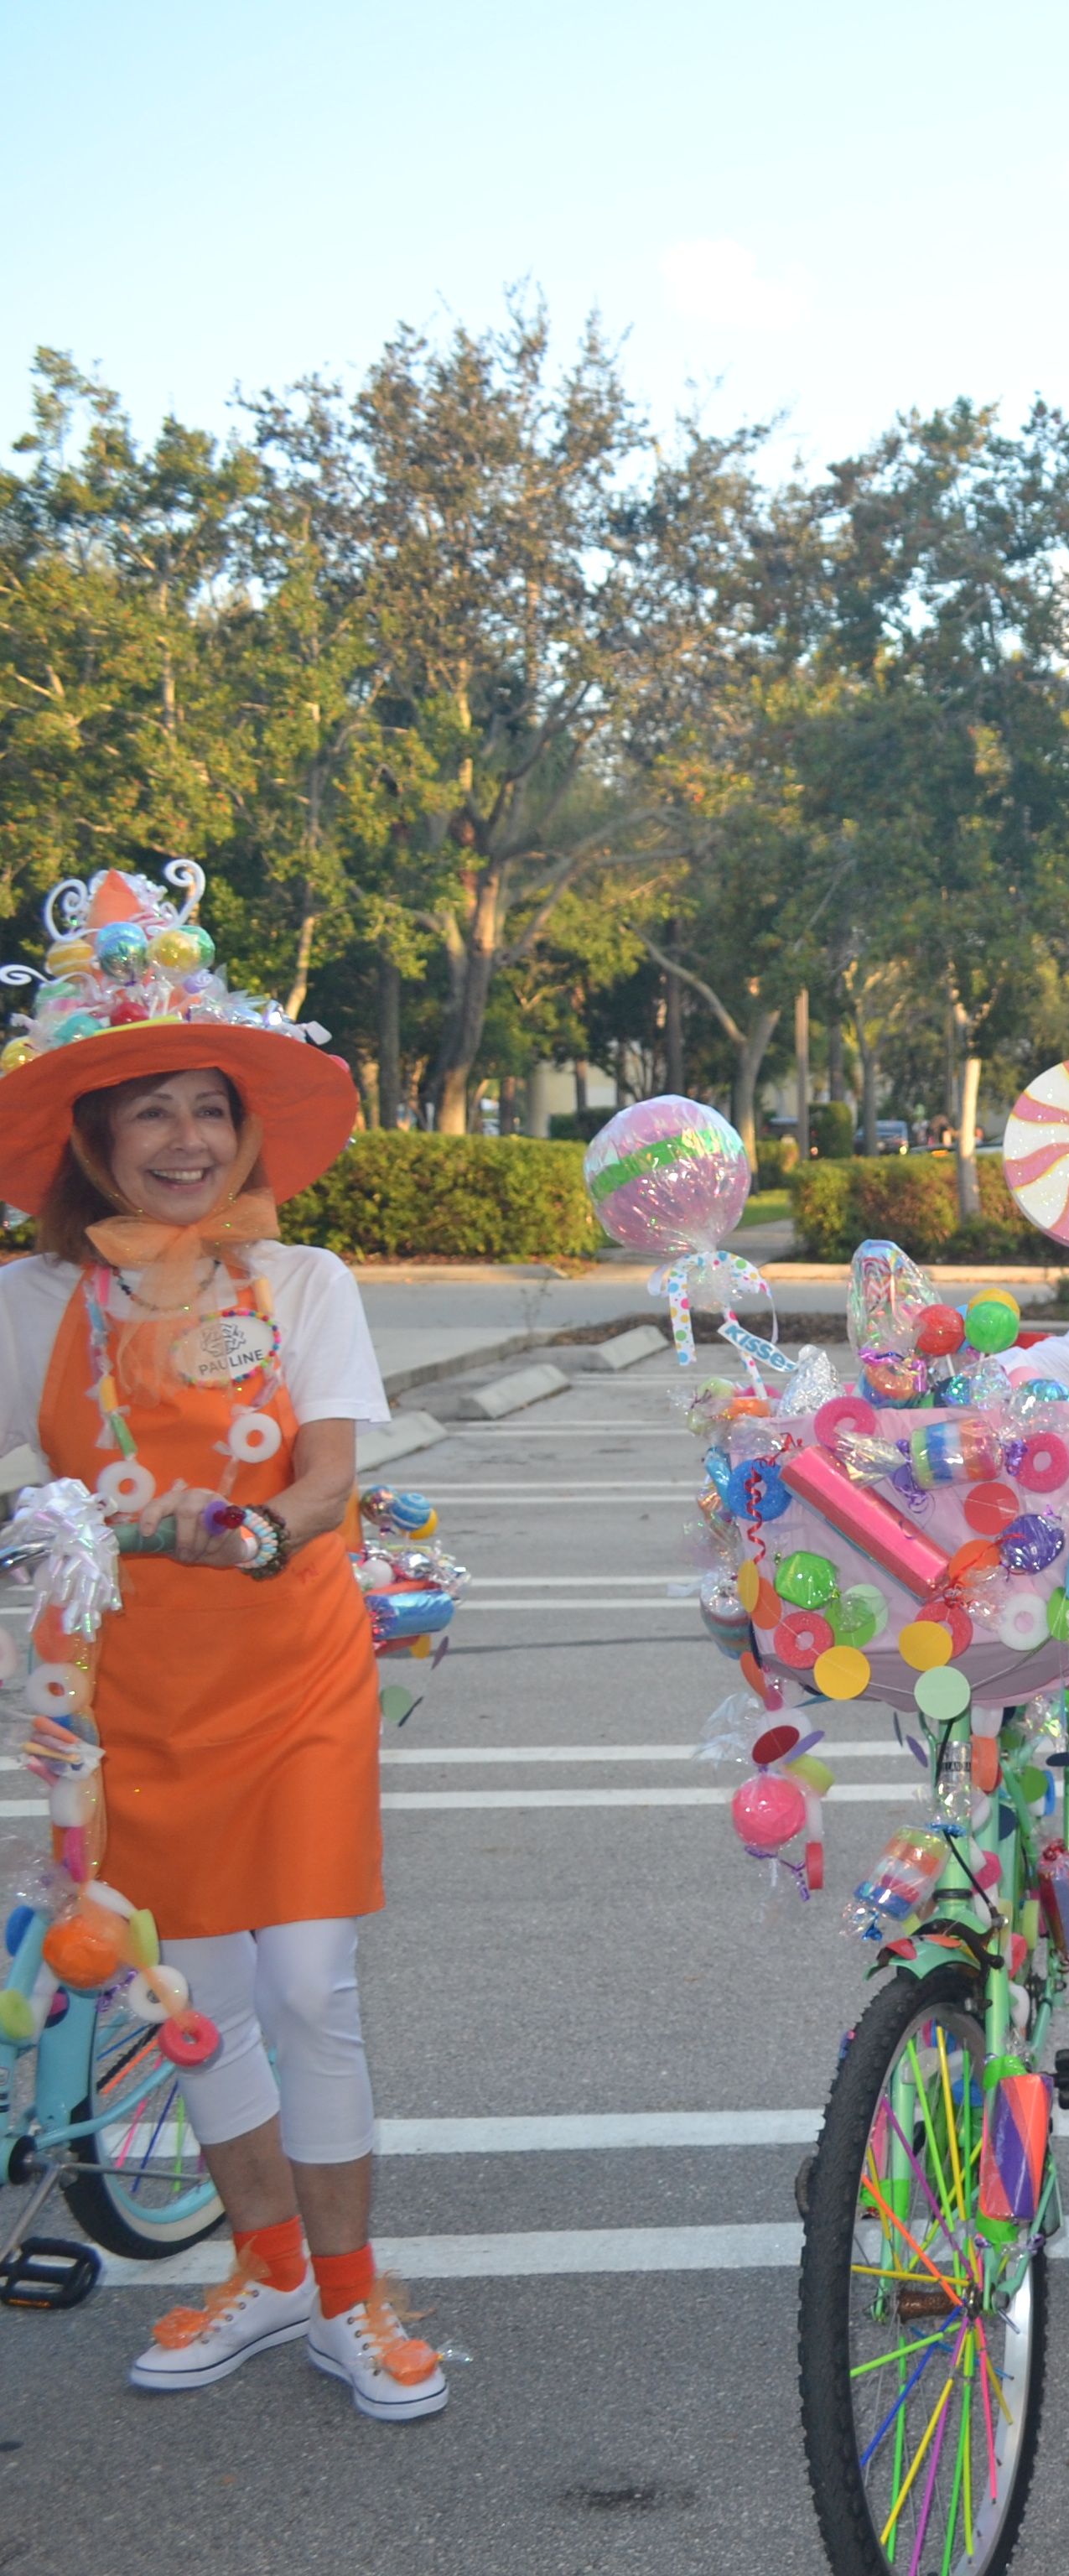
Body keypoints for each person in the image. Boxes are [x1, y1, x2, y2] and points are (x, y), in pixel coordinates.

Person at [0, 870, 434, 2415]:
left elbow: (327, 1472)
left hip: (290, 1667)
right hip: (120, 1698)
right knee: (196, 2006)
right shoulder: (32, 1294)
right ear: (95, 1138)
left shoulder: (302, 1278)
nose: (185, 1139)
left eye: (208, 1108)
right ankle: (259, 2274)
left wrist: (260, 1527)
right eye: (151, 1114)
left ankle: (352, 2298)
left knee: (311, 1985)